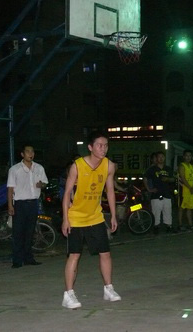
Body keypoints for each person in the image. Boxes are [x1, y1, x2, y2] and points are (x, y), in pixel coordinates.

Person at [61, 131, 121, 309]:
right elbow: (67, 194)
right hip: (76, 217)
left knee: (105, 253)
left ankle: (108, 288)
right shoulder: (77, 166)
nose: (103, 149)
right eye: (99, 145)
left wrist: (113, 215)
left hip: (95, 216)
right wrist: (65, 219)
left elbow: (110, 191)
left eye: (106, 145)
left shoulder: (109, 166)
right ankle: (68, 294)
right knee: (74, 255)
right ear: (90, 147)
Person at [7, 144, 48, 268]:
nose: (31, 154)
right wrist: (10, 205)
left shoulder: (39, 168)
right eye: (28, 151)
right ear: (22, 154)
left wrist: (41, 185)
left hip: (33, 203)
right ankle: (17, 260)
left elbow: (44, 183)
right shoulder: (15, 169)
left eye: (32, 151)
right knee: (18, 232)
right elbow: (10, 189)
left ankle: (28, 258)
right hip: (20, 204)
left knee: (30, 232)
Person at [144, 151, 176, 234]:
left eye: (162, 157)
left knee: (167, 211)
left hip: (167, 193)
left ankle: (169, 226)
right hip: (156, 194)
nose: (161, 158)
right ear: (156, 158)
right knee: (156, 211)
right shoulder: (152, 169)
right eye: (159, 157)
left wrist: (168, 179)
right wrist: (149, 189)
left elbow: (173, 179)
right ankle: (156, 227)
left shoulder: (168, 168)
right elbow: (145, 179)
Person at [178, 150, 193, 231]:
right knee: (181, 207)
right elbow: (182, 178)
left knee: (189, 208)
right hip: (184, 190)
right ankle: (180, 224)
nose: (188, 157)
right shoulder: (182, 166)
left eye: (190, 156)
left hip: (191, 191)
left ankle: (190, 224)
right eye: (187, 155)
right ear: (184, 156)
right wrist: (190, 187)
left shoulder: (192, 166)